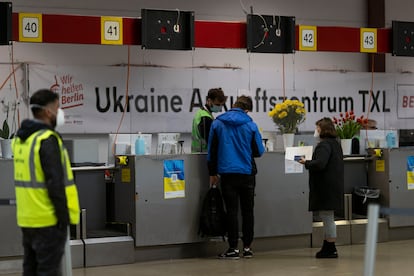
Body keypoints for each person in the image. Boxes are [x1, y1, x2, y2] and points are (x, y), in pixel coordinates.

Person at [12, 89, 80, 275]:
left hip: (27, 219)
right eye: (58, 107)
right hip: (48, 220)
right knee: (48, 271)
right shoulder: (47, 140)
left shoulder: (21, 140)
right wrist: (64, 218)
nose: (60, 113)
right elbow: (55, 184)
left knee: (31, 269)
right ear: (48, 112)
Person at [207, 95, 265, 259]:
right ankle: (247, 248)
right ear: (246, 109)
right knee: (248, 211)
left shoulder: (218, 123)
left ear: (233, 105)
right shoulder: (251, 124)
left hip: (227, 174)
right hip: (247, 174)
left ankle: (232, 248)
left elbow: (212, 151)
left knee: (231, 211)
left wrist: (212, 172)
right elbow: (259, 151)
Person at [298, 117, 344, 258]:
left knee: (328, 217)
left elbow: (320, 164)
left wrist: (306, 162)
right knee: (327, 217)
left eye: (317, 128)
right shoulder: (336, 144)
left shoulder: (324, 145)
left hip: (325, 187)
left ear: (323, 129)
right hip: (333, 186)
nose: (316, 131)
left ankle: (331, 247)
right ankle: (327, 245)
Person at [191, 88, 227, 153]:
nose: (220, 107)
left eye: (221, 105)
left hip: (198, 155)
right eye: (217, 105)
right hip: (203, 156)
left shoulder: (201, 113)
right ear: (209, 101)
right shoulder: (205, 117)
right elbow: (211, 142)